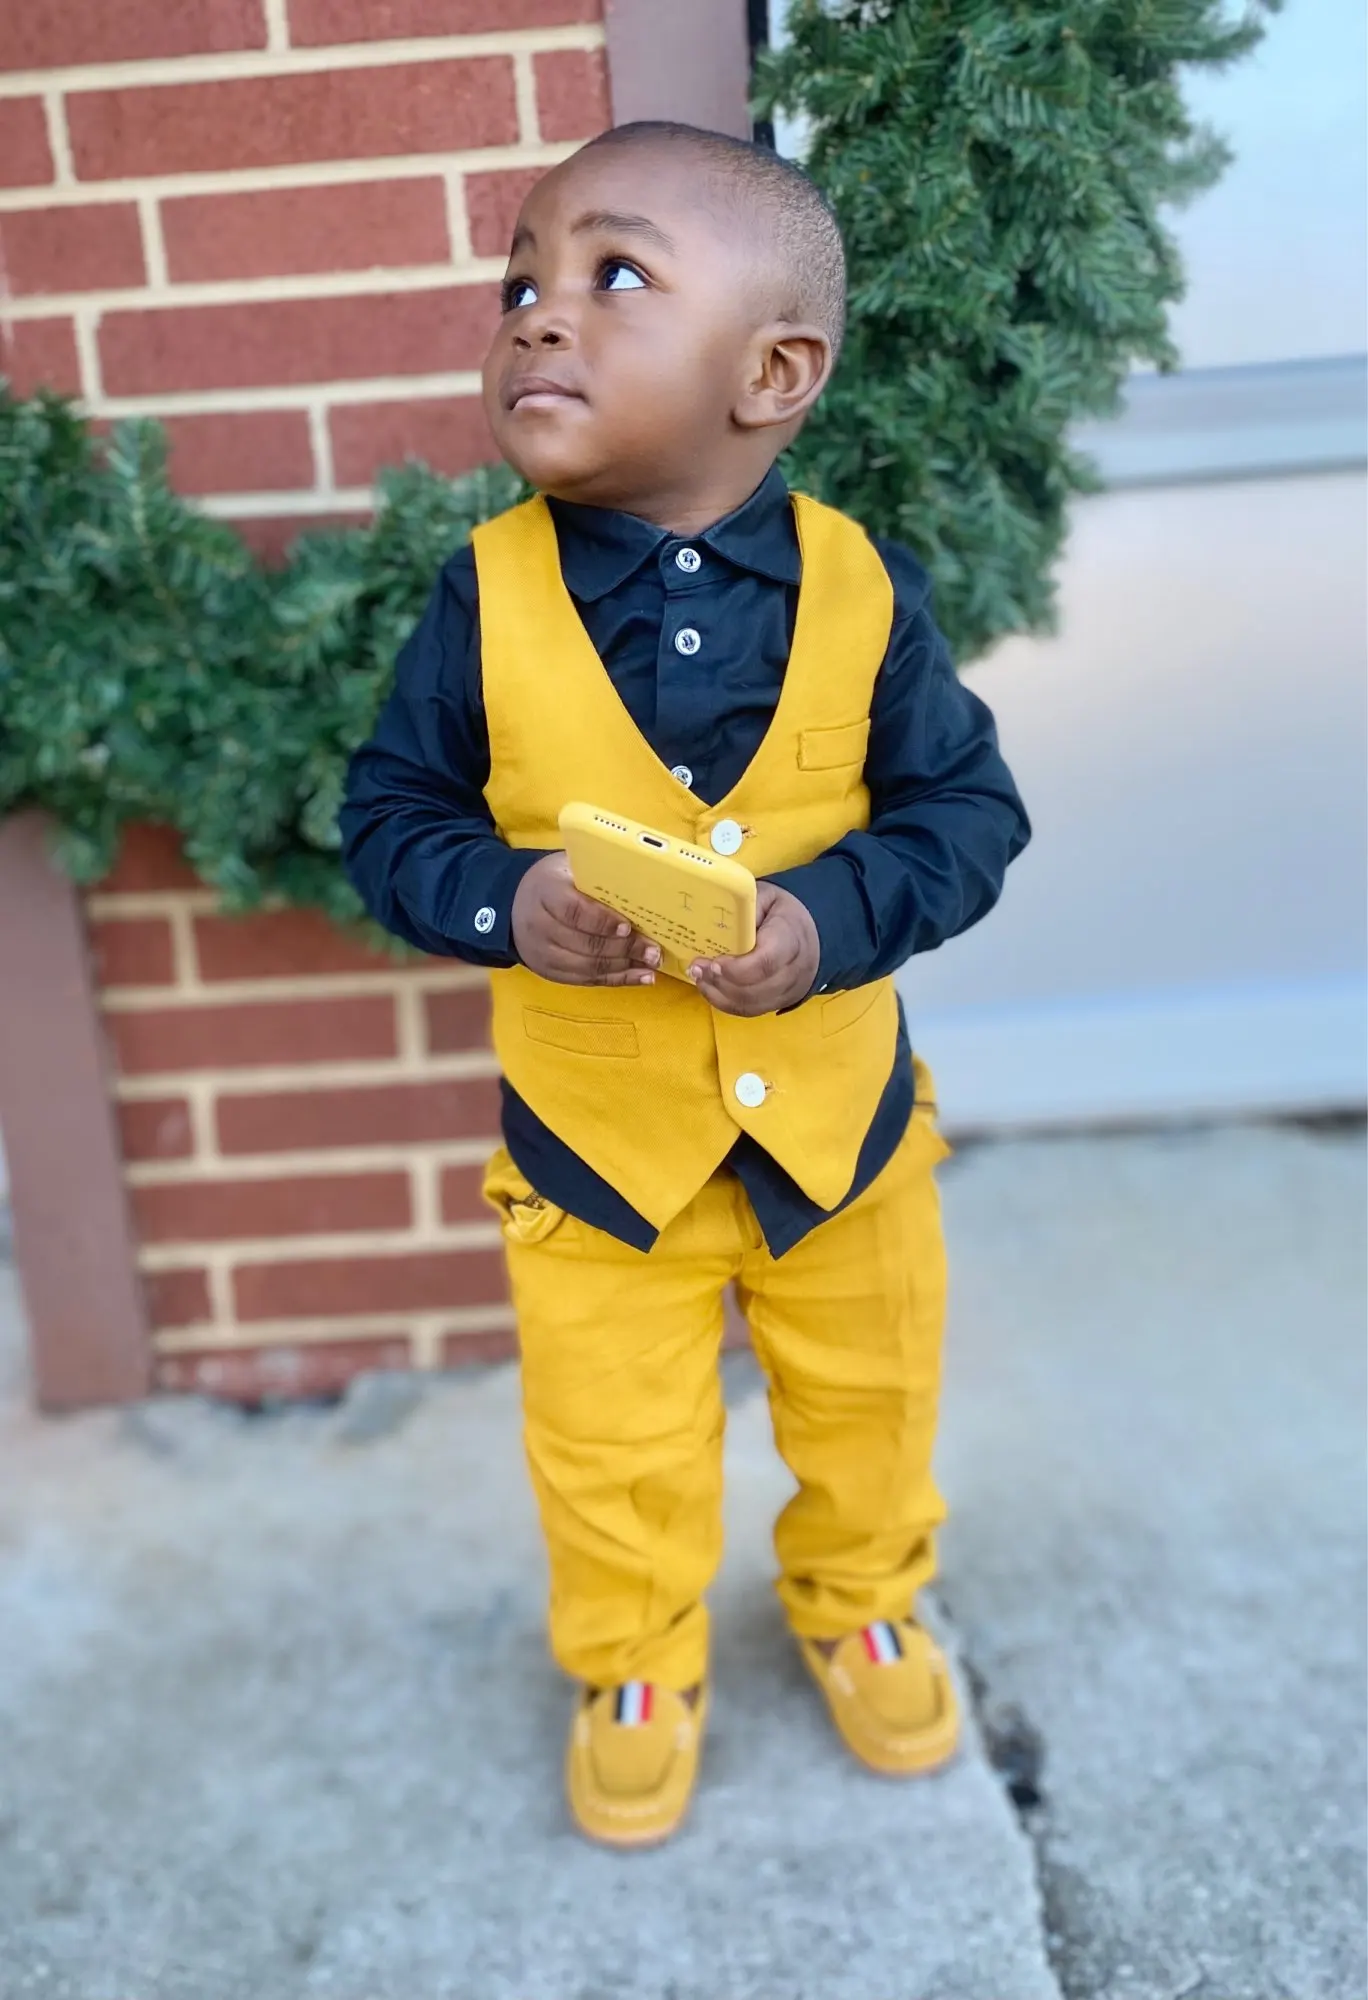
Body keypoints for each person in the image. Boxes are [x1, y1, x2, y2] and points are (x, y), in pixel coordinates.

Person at [340, 120, 1030, 1849]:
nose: (538, 313)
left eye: (615, 275)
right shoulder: (482, 596)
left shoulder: (862, 589)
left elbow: (967, 814)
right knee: (611, 1444)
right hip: (595, 1160)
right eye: (522, 281)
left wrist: (829, 921)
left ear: (772, 373)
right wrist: (508, 901)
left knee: (871, 1402)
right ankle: (636, 1660)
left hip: (841, 1143)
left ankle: (863, 1597)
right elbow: (390, 819)